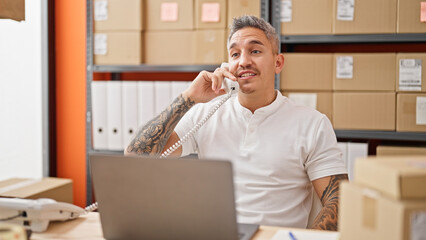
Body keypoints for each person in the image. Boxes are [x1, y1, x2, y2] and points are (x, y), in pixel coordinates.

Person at [125, 15, 348, 231]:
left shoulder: (312, 123)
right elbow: (135, 155)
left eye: (255, 51)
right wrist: (188, 98)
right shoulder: (205, 113)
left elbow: (338, 203)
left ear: (278, 62)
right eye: (235, 54)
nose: (243, 61)